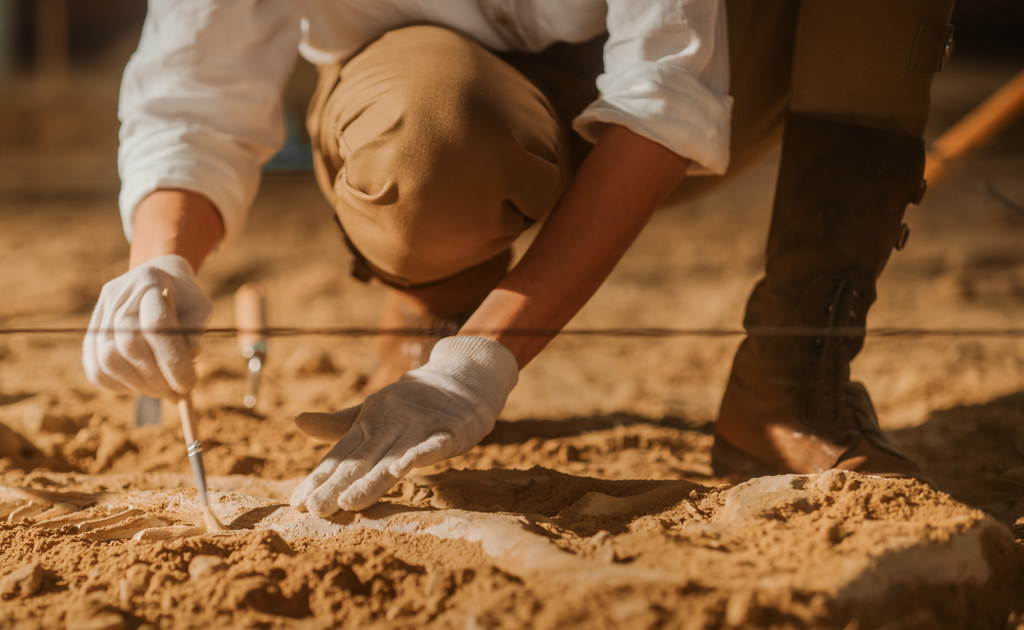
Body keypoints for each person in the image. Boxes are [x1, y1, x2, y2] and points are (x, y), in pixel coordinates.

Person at [83, 1, 955, 518]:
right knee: (430, 135)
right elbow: (193, 94)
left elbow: (666, 97)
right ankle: (437, 295)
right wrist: (161, 262)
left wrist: (484, 361)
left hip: (709, 85)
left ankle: (793, 369)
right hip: (432, 97)